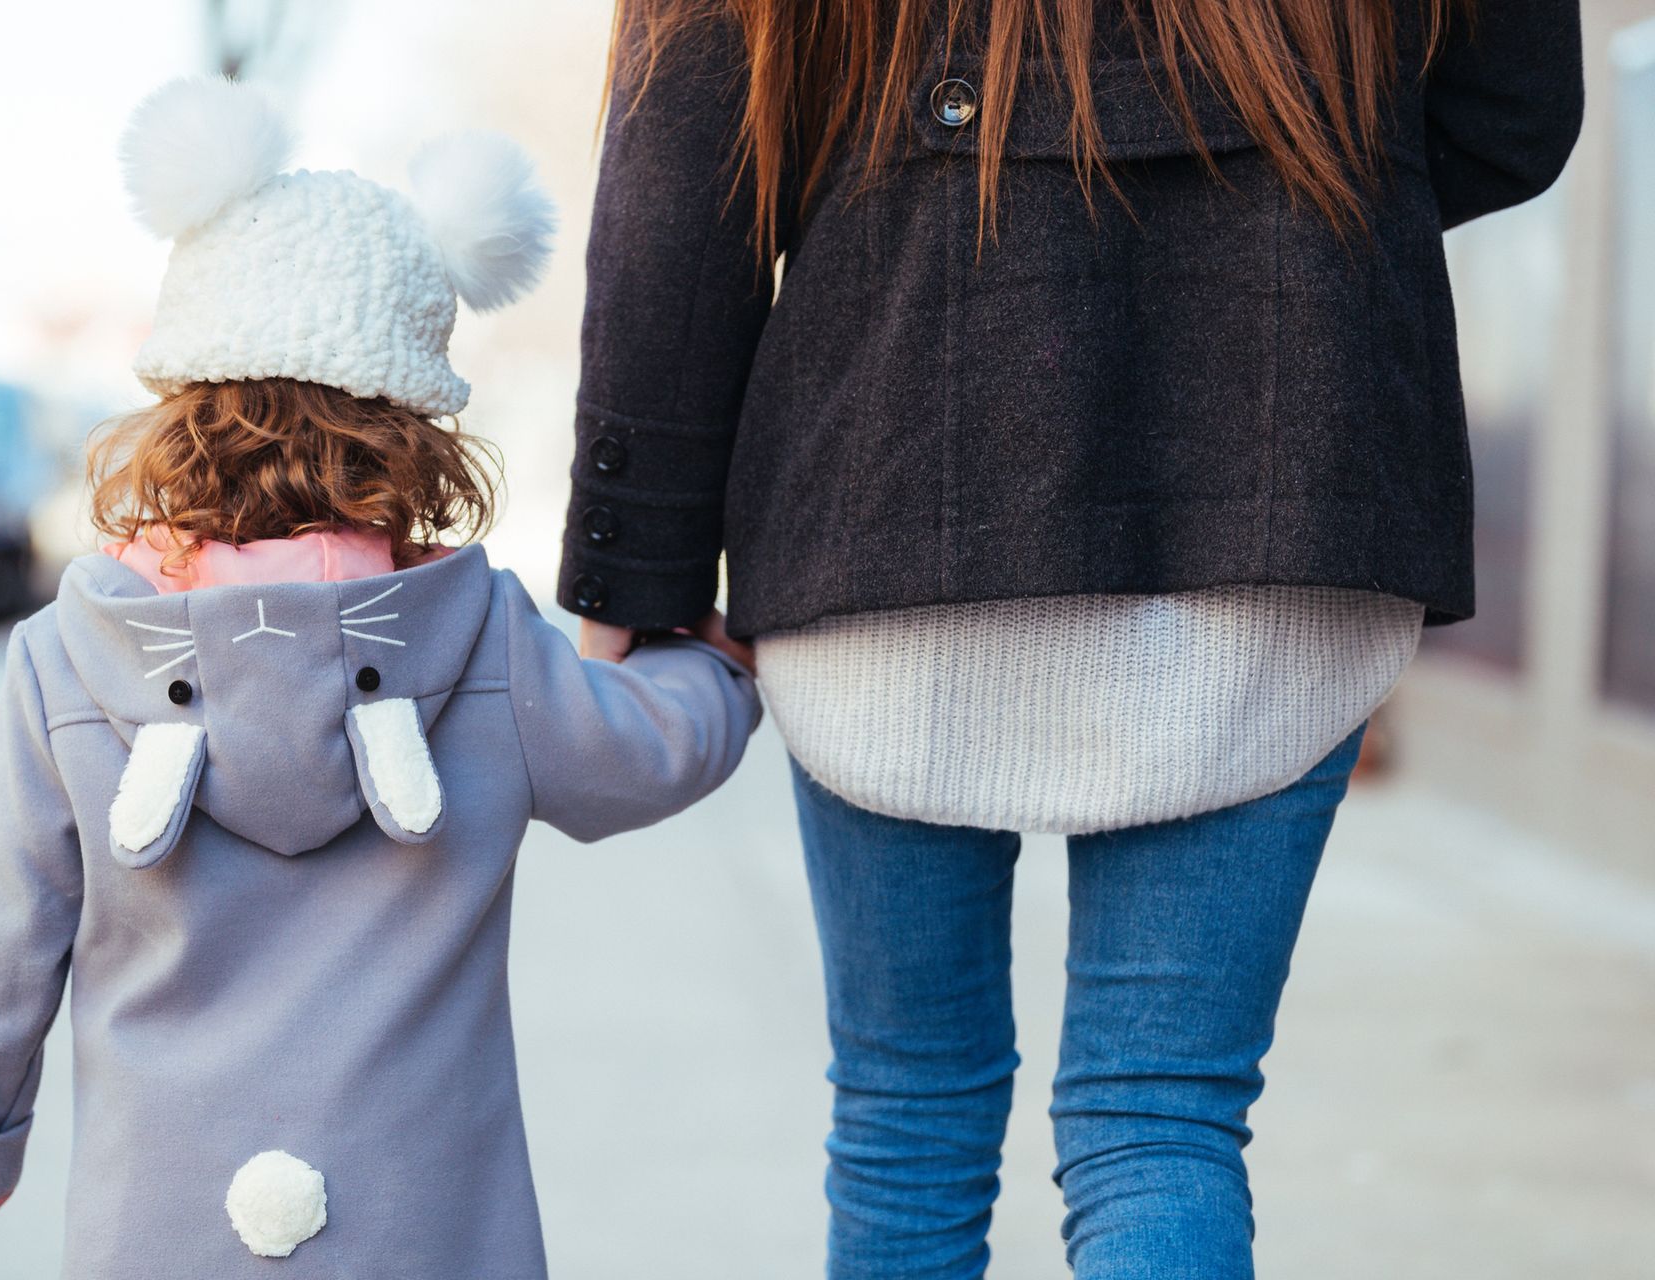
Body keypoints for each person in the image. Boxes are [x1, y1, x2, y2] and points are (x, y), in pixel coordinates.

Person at [560, 1, 1583, 1276]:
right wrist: (1275, 236)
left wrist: (632, 572)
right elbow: (1513, 117)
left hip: (888, 466)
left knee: (905, 1112)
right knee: (1161, 1116)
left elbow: (680, 190)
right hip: (1286, 474)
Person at [0, 76, 759, 1279]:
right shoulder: (479, 640)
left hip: (159, 1230)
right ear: (414, 431)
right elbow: (649, 751)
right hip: (431, 1230)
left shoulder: (70, 659)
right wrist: (719, 665)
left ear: (183, 403)